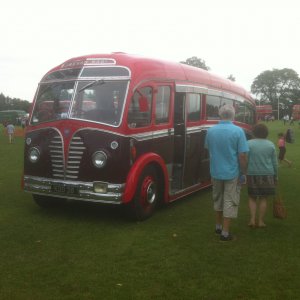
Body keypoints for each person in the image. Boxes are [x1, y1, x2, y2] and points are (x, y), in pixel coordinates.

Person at [205, 104, 249, 242]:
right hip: (232, 172)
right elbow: (242, 155)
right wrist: (244, 172)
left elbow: (208, 149)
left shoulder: (211, 131)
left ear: (220, 115)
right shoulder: (238, 131)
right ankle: (225, 233)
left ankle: (218, 226)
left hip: (215, 171)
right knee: (229, 200)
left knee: (217, 198)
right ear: (233, 115)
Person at [247, 123, 278, 228]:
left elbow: (245, 159)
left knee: (252, 197)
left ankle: (252, 219)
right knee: (264, 198)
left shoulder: (248, 143)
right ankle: (260, 221)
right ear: (266, 133)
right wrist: (276, 176)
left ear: (254, 132)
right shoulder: (271, 144)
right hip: (268, 174)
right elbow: (275, 163)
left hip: (252, 173)